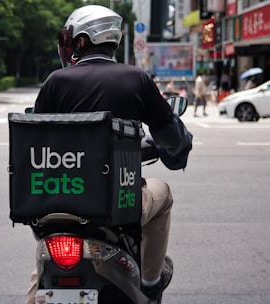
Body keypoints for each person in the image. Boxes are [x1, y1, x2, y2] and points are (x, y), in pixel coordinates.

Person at [27, 5, 193, 304]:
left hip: (58, 203)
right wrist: (178, 144)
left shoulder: (55, 82)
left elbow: (36, 140)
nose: (65, 46)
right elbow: (170, 136)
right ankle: (151, 282)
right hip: (118, 203)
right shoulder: (136, 79)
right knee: (163, 193)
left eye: (68, 39)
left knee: (41, 274)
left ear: (81, 40)